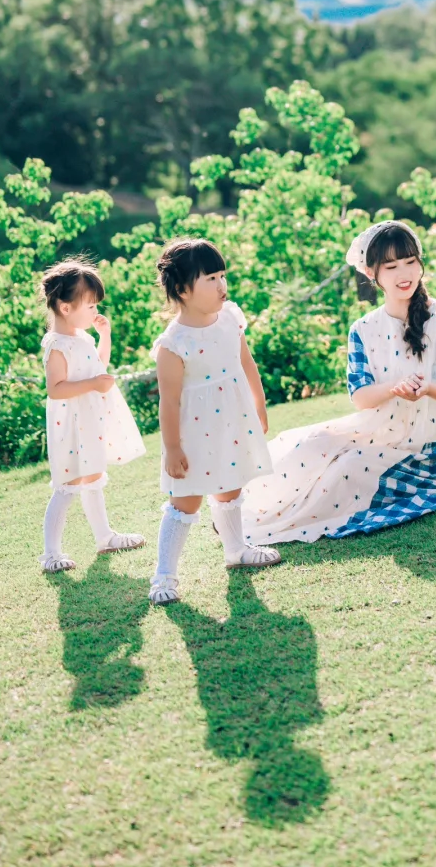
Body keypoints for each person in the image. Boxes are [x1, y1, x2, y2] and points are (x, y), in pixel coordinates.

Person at [242, 221, 436, 546]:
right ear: (371, 272)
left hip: (435, 453)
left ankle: (270, 524)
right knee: (311, 445)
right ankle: (249, 512)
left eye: (410, 262)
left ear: (421, 263)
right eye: (391, 266)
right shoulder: (363, 328)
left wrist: (427, 388)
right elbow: (361, 397)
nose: (403, 273)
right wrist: (395, 386)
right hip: (381, 433)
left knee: (349, 469)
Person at [148, 237, 280, 606]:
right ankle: (164, 575)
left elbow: (246, 362)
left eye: (223, 276)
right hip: (193, 433)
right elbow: (170, 402)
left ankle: (236, 549)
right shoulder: (173, 344)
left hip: (232, 421)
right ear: (182, 290)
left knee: (231, 486)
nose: (222, 285)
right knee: (184, 503)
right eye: (211, 278)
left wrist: (259, 403)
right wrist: (173, 448)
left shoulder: (230, 318)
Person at [39, 259, 146, 572]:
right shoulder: (57, 344)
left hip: (88, 419)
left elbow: (96, 367)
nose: (95, 311)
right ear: (65, 307)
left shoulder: (81, 338)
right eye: (90, 305)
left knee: (94, 475)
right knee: (68, 482)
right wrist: (93, 385)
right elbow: (56, 389)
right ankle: (50, 553)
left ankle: (105, 536)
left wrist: (105, 339)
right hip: (69, 423)